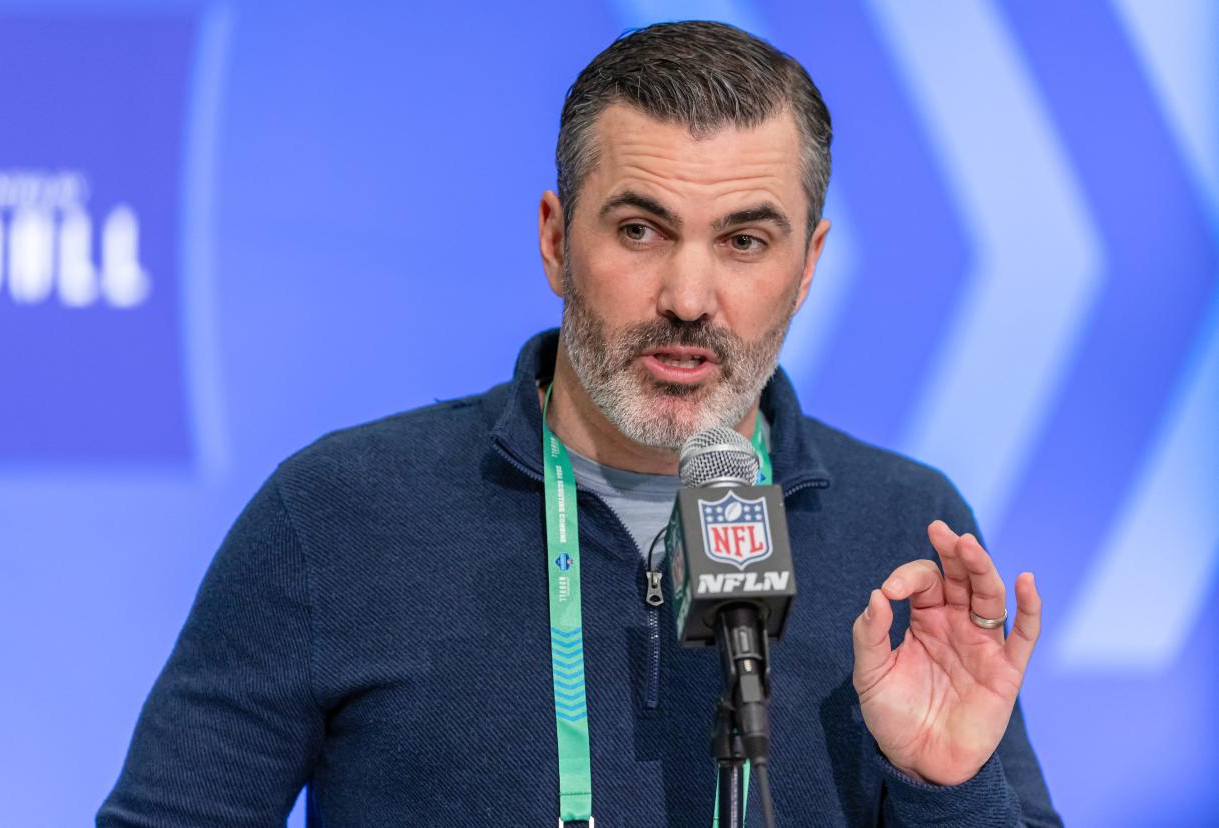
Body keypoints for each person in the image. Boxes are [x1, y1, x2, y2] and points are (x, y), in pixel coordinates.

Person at [98, 20, 1061, 827]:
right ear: (558, 240)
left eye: (744, 241)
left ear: (808, 267)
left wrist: (950, 790)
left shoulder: (904, 528)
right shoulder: (337, 516)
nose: (688, 297)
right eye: (639, 230)